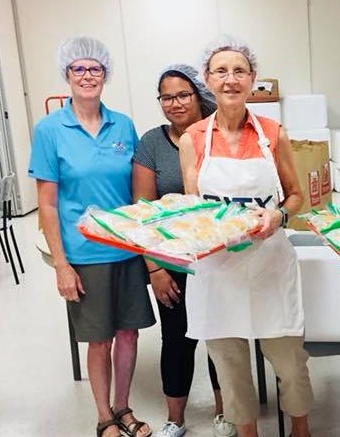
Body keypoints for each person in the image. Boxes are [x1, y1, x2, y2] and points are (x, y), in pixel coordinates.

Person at [178, 35, 313, 437]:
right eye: (221, 71)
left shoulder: (274, 134)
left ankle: (300, 429)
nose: (230, 79)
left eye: (239, 71)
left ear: (253, 79)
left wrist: (278, 215)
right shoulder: (193, 140)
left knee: (289, 361)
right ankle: (247, 431)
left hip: (269, 261)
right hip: (217, 267)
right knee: (229, 361)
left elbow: (296, 195)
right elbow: (193, 207)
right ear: (207, 79)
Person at [29, 36, 155, 437]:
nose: (87, 76)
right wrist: (61, 264)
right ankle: (104, 417)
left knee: (128, 332)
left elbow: (137, 188)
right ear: (66, 75)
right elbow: (47, 204)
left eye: (95, 69)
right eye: (79, 69)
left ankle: (124, 407)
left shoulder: (123, 124)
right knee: (99, 340)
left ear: (105, 75)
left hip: (126, 248)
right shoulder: (50, 130)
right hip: (85, 253)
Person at [132, 64, 236, 437]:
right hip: (172, 260)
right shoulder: (152, 143)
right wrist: (155, 269)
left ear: (198, 95)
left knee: (222, 336)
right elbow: (143, 211)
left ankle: (226, 412)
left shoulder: (219, 133)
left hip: (220, 256)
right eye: (166, 97)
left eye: (182, 95)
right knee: (177, 337)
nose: (174, 103)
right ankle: (175, 419)